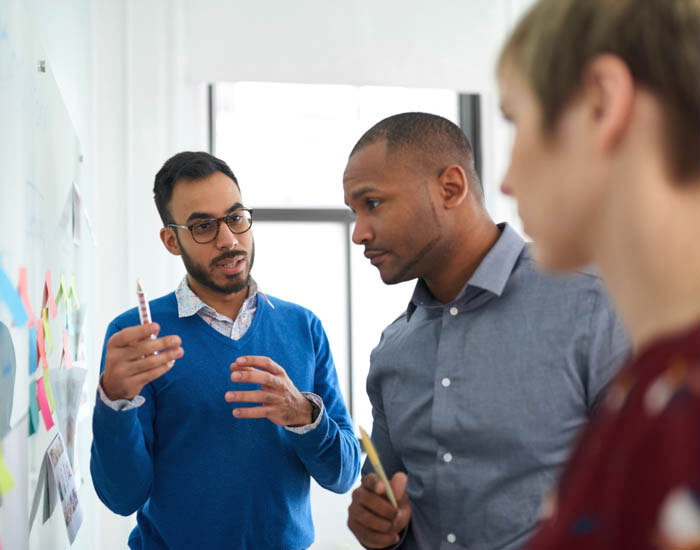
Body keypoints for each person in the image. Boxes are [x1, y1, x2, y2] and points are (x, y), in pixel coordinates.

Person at [343, 112, 630, 549]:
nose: (359, 233)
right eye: (354, 212)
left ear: (451, 187)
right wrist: (380, 524)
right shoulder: (392, 351)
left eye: (373, 204)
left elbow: (654, 490)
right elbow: (390, 500)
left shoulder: (593, 304)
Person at [496, 1, 700, 549]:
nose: (507, 179)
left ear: (600, 103)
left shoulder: (682, 410)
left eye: (515, 120)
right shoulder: (654, 382)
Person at [90, 151, 360, 550]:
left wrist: (303, 414)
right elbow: (122, 497)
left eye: (235, 218)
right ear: (171, 240)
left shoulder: (304, 327)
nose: (229, 240)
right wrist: (114, 401)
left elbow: (343, 475)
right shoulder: (137, 336)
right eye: (203, 226)